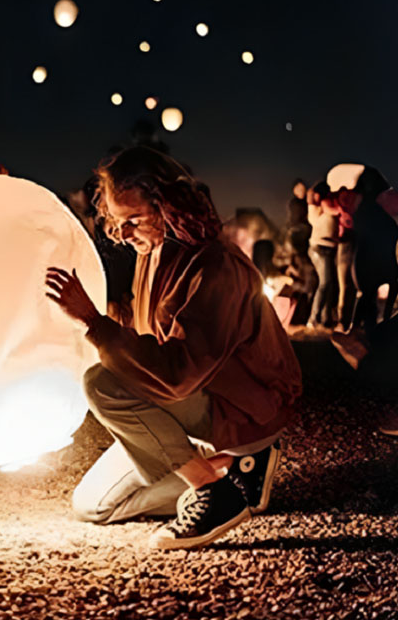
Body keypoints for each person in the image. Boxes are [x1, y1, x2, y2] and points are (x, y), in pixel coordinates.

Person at [45, 147, 302, 550]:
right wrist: (108, 319)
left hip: (238, 407)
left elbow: (178, 373)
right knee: (91, 506)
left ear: (169, 206)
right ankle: (232, 476)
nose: (124, 233)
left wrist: (96, 324)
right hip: (192, 412)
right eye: (116, 219)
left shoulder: (216, 266)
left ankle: (214, 490)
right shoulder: (153, 252)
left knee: (101, 383)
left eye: (134, 220)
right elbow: (152, 339)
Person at [306, 182, 339, 329]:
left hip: (330, 248)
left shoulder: (331, 206)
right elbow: (310, 198)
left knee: (330, 284)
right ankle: (313, 319)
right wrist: (314, 190)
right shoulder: (317, 209)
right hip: (319, 247)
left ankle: (326, 318)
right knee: (325, 282)